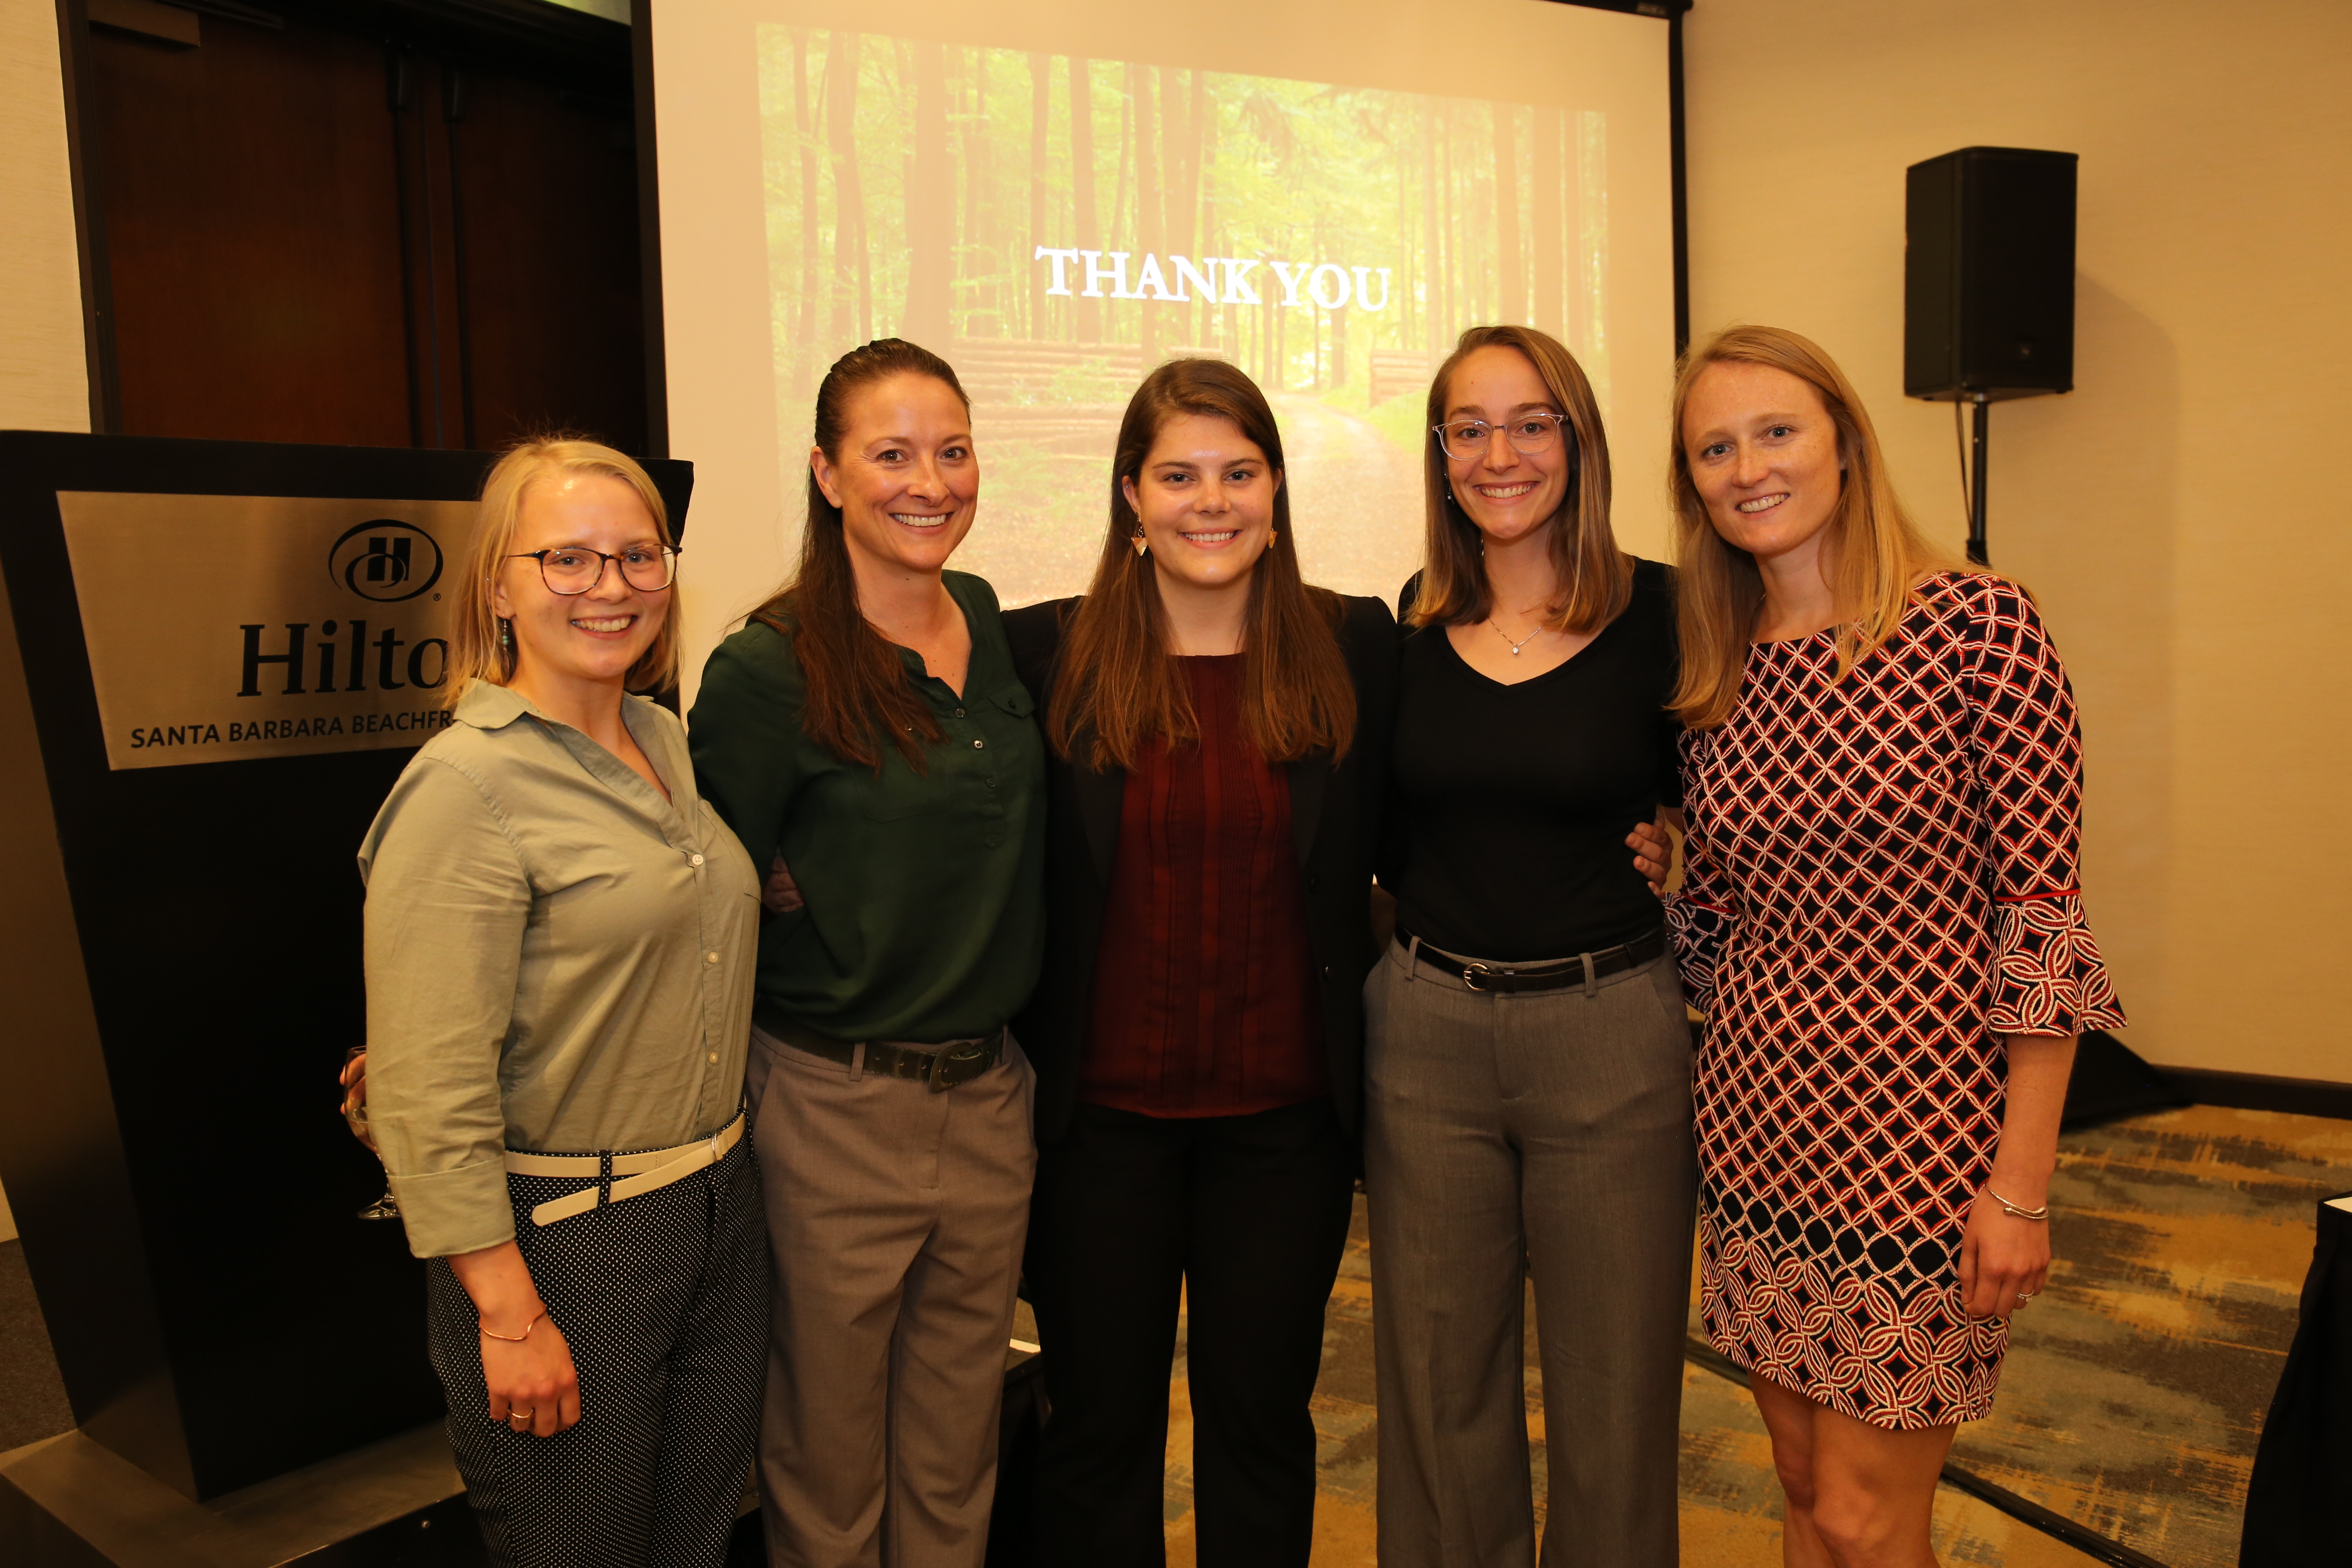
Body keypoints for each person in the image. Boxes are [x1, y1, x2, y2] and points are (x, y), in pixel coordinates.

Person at [1664, 325, 2125, 1567]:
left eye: (1776, 432)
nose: (1748, 467)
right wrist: (1673, 887)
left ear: (1846, 445)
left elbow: (2042, 917)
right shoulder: (1716, 674)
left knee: (1875, 1520)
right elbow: (1727, 933)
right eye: (1715, 447)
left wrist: (2019, 1188)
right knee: (1807, 1487)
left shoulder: (1976, 626)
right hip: (1760, 1131)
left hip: (1922, 1145)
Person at [1003, 356, 1396, 1568]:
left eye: (1238, 471)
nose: (1210, 500)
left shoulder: (1355, 645)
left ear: (1277, 490)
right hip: (1097, 1130)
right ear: (1131, 494)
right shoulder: (1041, 654)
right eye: (1178, 475)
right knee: (1100, 1434)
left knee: (1263, 1429)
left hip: (1285, 1127)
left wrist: (1647, 834)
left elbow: (1457, 802)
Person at [356, 438, 766, 1568]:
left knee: (693, 1543)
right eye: (568, 559)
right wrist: (508, 1311)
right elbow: (427, 1090)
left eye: (640, 557)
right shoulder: (463, 789)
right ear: (498, 583)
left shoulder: (661, 739)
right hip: (565, 1241)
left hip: (722, 1206)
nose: (612, 586)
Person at [687, 338, 1046, 1568]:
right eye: (890, 454)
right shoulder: (765, 668)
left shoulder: (992, 623)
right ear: (828, 475)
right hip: (831, 1109)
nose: (928, 482)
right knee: (829, 1470)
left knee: (957, 1459)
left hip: (991, 1102)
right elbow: (706, 898)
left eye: (951, 451)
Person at [1366, 323, 1692, 1568]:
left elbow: (1724, 800)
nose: (1500, 453)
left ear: (1579, 440)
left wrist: (1687, 852)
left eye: (1532, 421)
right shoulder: (1411, 620)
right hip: (1428, 1036)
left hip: (1608, 1033)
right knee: (1438, 1394)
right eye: (1470, 427)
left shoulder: (1664, 608)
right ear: (1443, 456)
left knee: (1615, 1401)